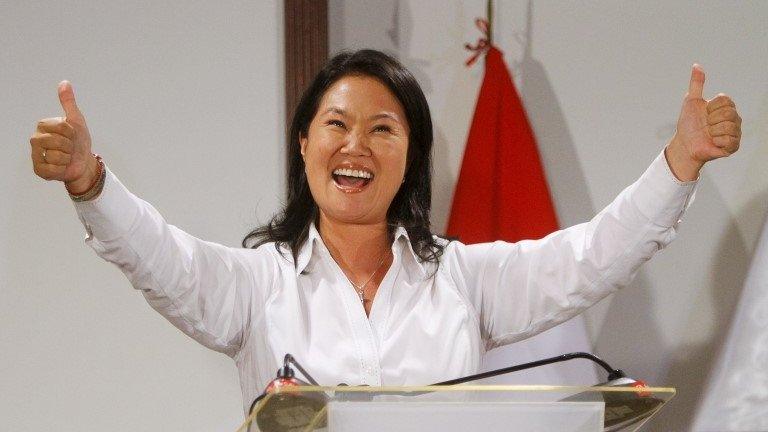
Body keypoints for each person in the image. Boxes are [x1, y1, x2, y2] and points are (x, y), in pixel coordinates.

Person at [30, 50, 741, 414]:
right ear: (304, 143)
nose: (356, 148)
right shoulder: (254, 285)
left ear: (411, 158)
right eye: (337, 126)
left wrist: (678, 165)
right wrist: (92, 182)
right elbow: (161, 259)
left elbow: (591, 259)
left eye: (383, 130)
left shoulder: (463, 280)